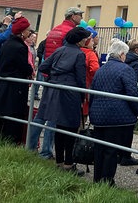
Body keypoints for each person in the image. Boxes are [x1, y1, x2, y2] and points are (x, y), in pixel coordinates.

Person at [29, 7, 84, 158]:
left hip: (50, 76)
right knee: (55, 117)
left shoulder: (55, 29)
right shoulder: (70, 32)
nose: (81, 18)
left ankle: (31, 145)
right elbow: (67, 52)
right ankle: (46, 150)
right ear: (73, 16)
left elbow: (49, 54)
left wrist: (49, 74)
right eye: (80, 15)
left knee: (42, 113)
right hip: (62, 79)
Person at [36, 27, 90, 175]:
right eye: (86, 38)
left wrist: (55, 77)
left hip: (54, 91)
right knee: (71, 129)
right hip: (70, 93)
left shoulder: (60, 50)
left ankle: (59, 161)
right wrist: (82, 96)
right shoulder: (79, 55)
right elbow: (80, 78)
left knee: (59, 128)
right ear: (80, 40)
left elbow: (43, 66)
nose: (87, 40)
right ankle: (68, 164)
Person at [89, 39, 138, 186]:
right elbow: (132, 93)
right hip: (116, 116)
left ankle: (97, 179)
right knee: (111, 151)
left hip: (99, 115)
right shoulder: (126, 69)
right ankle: (107, 182)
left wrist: (92, 112)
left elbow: (92, 92)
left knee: (99, 149)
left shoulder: (101, 69)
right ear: (121, 54)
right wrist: (137, 111)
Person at [0, 17, 34, 145]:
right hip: (14, 86)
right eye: (27, 30)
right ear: (22, 31)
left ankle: (3, 139)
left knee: (4, 116)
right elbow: (23, 66)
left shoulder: (7, 43)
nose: (29, 32)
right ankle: (11, 143)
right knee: (14, 116)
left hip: (5, 83)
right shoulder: (18, 46)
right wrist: (30, 70)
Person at [119, 38, 138, 167]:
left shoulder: (127, 59)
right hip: (132, 97)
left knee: (123, 128)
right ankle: (126, 155)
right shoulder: (137, 63)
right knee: (128, 128)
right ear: (137, 49)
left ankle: (120, 154)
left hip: (122, 97)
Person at [80, 31, 100, 124]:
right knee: (84, 111)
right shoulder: (90, 53)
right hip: (87, 84)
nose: (93, 42)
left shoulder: (78, 50)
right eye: (91, 40)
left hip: (77, 84)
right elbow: (95, 69)